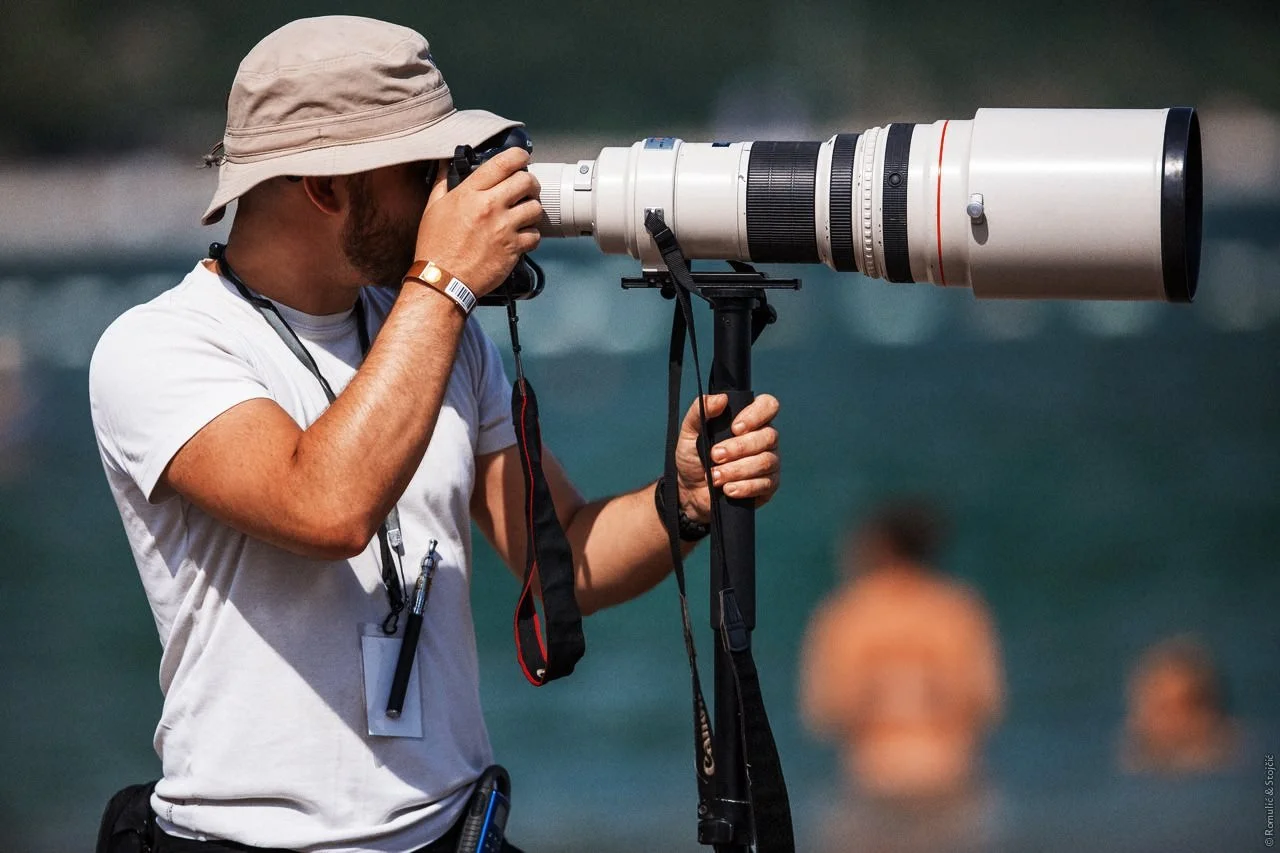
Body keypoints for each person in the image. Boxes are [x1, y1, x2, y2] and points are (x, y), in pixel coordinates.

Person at [88, 16, 782, 853]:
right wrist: (444, 282)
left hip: (456, 828)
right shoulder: (160, 345)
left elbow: (565, 559)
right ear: (323, 185)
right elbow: (325, 506)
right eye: (422, 170)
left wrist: (685, 502)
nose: (444, 196)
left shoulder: (431, 328)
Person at [799, 499, 1003, 852]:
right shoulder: (958, 609)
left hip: (874, 777)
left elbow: (826, 711)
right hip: (949, 776)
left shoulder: (846, 615)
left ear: (880, 546)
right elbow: (984, 702)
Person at [1120, 634, 1241, 775]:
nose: (1169, 722)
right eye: (1162, 709)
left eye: (1182, 710)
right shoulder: (1133, 755)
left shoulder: (1229, 752)